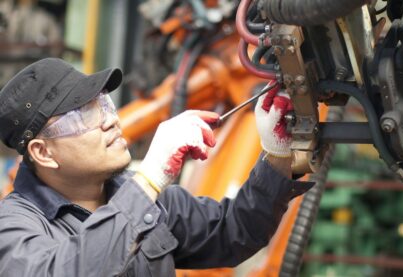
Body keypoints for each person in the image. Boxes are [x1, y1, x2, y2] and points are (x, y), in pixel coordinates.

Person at [0, 58, 313, 276]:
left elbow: (236, 231)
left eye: (104, 104)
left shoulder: (151, 201)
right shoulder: (13, 229)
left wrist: (276, 153)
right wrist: (148, 181)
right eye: (83, 115)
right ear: (43, 153)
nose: (110, 120)